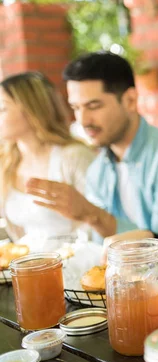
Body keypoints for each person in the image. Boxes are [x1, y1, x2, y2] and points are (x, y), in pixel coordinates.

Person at [25, 52, 158, 246]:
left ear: (130, 100)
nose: (83, 120)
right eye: (76, 108)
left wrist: (92, 214)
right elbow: (103, 249)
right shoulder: (98, 169)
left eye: (93, 106)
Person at [0, 72, 95, 252]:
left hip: (77, 265)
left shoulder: (73, 157)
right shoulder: (5, 164)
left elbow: (98, 222)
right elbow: (18, 237)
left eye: (2, 108)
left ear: (30, 109)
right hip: (27, 268)